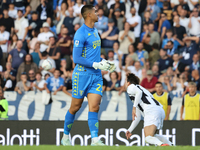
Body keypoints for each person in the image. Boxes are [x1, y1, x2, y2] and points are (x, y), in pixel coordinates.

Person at [61, 5, 116, 146]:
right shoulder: (80, 33)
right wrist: (96, 65)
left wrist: (105, 63)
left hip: (96, 75)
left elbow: (95, 56)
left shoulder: (96, 31)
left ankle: (95, 139)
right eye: (96, 12)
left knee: (95, 106)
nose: (99, 13)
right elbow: (77, 58)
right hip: (82, 75)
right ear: (89, 15)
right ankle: (65, 136)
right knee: (75, 107)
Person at [125, 73, 172, 146]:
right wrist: (129, 130)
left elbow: (138, 92)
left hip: (151, 111)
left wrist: (134, 107)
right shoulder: (143, 90)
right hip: (159, 110)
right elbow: (137, 118)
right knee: (152, 136)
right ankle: (170, 145)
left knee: (148, 138)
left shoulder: (131, 87)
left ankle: (162, 145)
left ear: (128, 83)